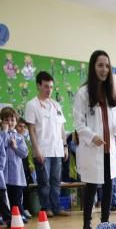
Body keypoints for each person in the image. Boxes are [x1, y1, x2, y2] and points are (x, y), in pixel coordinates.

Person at [73, 50, 116, 229]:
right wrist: (91, 136)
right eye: (100, 65)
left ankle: (104, 223)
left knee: (108, 185)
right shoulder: (83, 93)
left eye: (107, 66)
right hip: (92, 148)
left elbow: (111, 123)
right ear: (93, 67)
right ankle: (86, 223)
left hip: (108, 148)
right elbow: (79, 123)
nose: (104, 69)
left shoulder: (109, 93)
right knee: (91, 187)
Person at [25, 71, 69, 218]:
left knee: (56, 181)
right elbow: (31, 130)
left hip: (57, 150)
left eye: (50, 87)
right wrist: (36, 150)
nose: (49, 89)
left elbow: (62, 128)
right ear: (38, 86)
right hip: (42, 150)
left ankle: (56, 208)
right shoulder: (32, 105)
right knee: (44, 182)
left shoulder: (56, 105)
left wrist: (65, 146)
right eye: (45, 86)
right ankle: (46, 208)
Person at [0, 106, 29, 220]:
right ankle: (4, 215)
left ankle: (19, 214)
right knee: (4, 195)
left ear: (16, 121)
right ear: (2, 121)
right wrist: (5, 132)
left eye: (12, 120)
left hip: (16, 174)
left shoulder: (19, 137)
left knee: (16, 196)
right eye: (6, 120)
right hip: (3, 173)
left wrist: (15, 147)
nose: (10, 123)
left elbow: (24, 153)